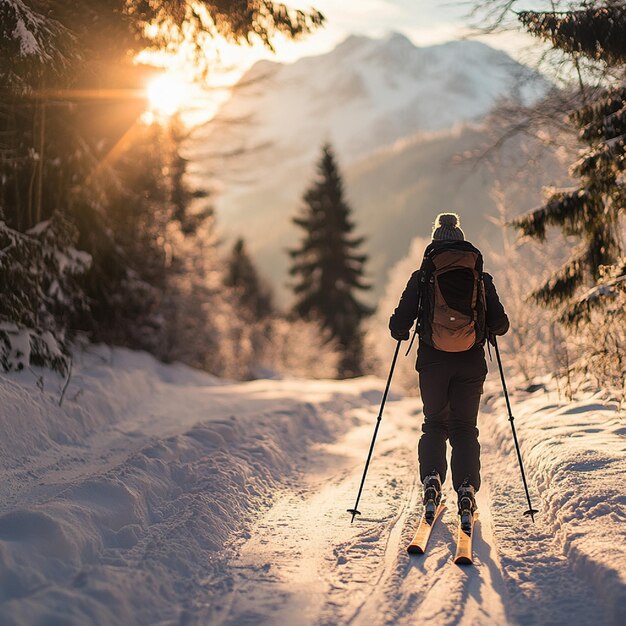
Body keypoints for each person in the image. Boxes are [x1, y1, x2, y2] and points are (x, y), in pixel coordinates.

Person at [388, 212, 509, 524]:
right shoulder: (480, 277)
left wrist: (402, 329)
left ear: (434, 244)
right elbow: (501, 323)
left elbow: (399, 322)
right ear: (461, 239)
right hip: (471, 360)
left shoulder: (424, 275)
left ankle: (431, 481)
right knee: (464, 427)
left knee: (435, 424)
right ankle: (466, 488)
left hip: (433, 361)